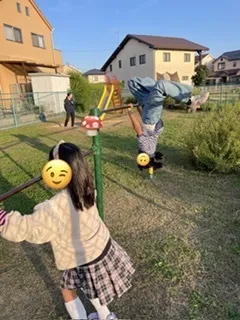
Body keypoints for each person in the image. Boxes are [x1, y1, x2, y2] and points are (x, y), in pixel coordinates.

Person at [0, 142, 135, 320]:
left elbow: (30, 228)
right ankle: (106, 315)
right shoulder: (86, 188)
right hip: (99, 247)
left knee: (76, 288)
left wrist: (3, 218)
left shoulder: (55, 207)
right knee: (90, 288)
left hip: (82, 258)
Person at [127, 77, 209, 169]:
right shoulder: (146, 150)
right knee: (161, 85)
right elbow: (138, 129)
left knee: (132, 82)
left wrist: (139, 108)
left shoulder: (146, 149)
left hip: (148, 116)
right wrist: (130, 112)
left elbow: (145, 121)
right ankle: (191, 100)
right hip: (152, 118)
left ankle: (150, 93)